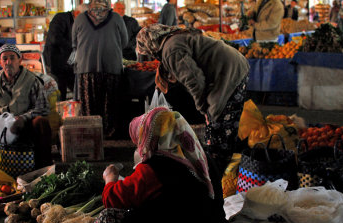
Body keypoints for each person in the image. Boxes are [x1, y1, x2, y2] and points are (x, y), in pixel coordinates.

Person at [93, 107, 226, 223]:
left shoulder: (154, 169)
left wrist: (110, 177)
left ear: (151, 137)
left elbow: (112, 198)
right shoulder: (199, 157)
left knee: (106, 219)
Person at [136, 24, 249, 175]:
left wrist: (203, 108)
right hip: (233, 66)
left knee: (218, 127)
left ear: (150, 45)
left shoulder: (171, 50)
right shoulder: (173, 39)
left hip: (228, 72)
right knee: (224, 126)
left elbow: (195, 81)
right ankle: (228, 170)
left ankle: (218, 174)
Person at [0, 44, 52, 169]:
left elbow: (42, 108)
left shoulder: (32, 80)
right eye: (5, 59)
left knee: (41, 123)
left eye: (12, 58)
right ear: (0, 62)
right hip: (0, 129)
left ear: (20, 60)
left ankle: (43, 168)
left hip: (24, 127)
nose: (9, 62)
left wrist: (23, 118)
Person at [72, 0, 128, 138]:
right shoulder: (116, 18)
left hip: (86, 69)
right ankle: (110, 135)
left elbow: (74, 42)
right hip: (111, 68)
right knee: (110, 105)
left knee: (90, 106)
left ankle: (92, 136)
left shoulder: (80, 19)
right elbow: (125, 42)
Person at [43, 4, 89, 101]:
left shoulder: (78, 23)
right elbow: (55, 39)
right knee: (61, 94)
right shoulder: (61, 18)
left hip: (69, 64)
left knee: (80, 92)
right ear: (77, 13)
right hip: (55, 63)